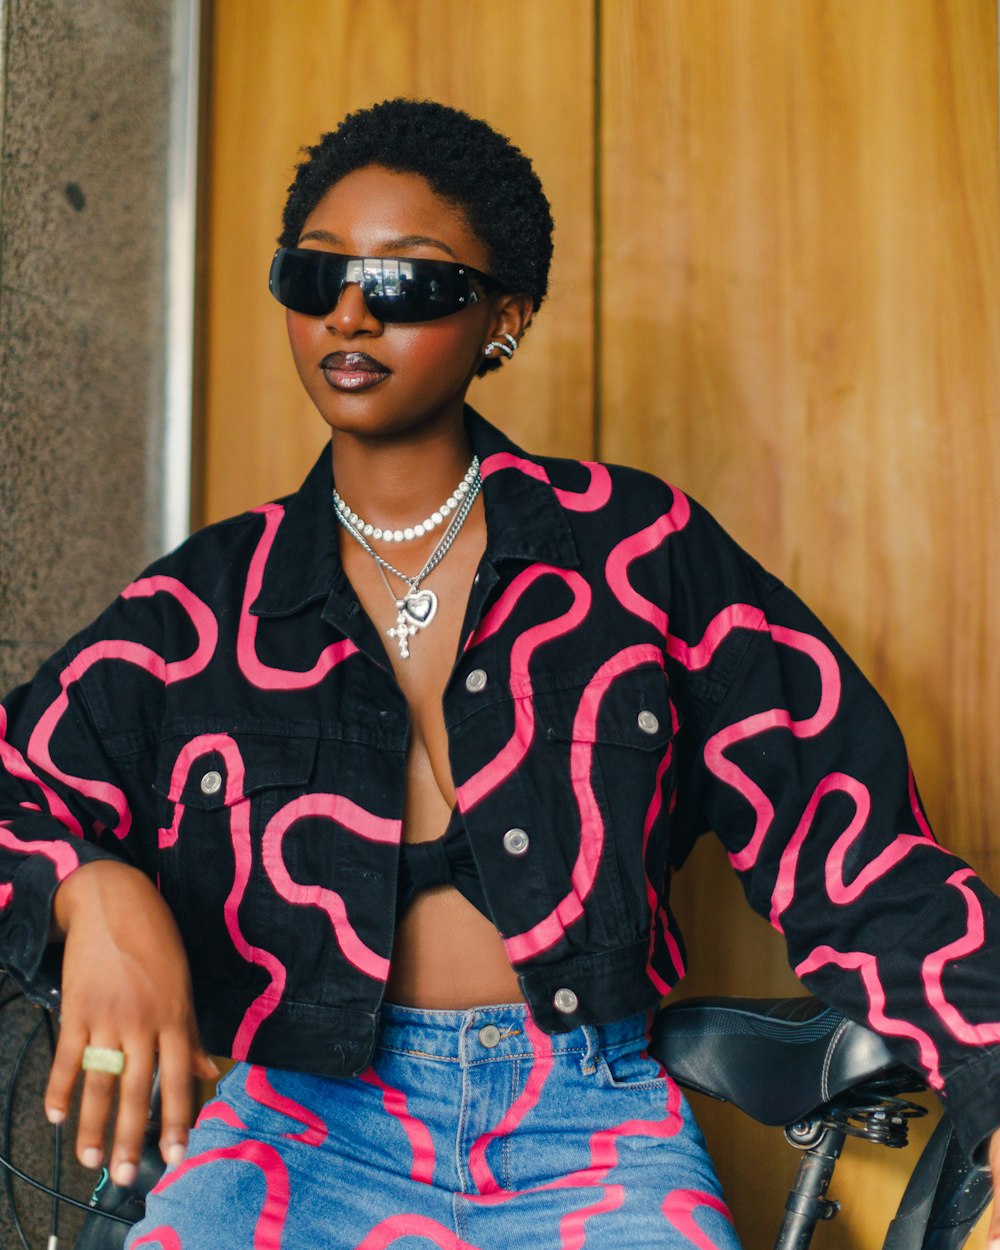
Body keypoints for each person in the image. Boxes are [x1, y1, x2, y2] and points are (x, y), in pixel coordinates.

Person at [1, 98, 999, 1249]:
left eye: (407, 282)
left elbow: (850, 837)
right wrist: (95, 890)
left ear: (502, 317)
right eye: (313, 272)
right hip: (294, 1122)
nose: (346, 311)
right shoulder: (203, 604)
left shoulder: (640, 552)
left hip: (593, 1126)